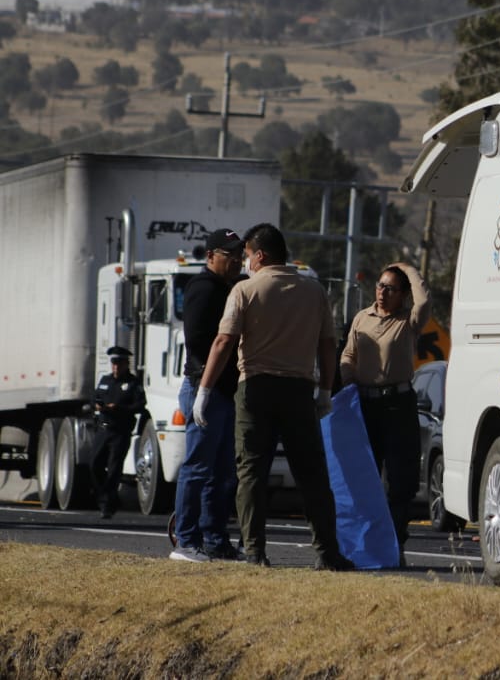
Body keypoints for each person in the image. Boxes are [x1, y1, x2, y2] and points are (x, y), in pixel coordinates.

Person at [198, 222, 353, 571]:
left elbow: (223, 341)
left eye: (249, 255)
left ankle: (255, 552)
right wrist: (325, 390)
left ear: (261, 255)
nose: (246, 262)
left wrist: (204, 390)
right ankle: (327, 552)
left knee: (251, 471)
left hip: (254, 388)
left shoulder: (245, 290)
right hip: (299, 389)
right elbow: (328, 345)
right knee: (312, 474)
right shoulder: (313, 291)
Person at [339, 262, 430, 566]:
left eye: (391, 288)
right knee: (363, 478)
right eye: (380, 286)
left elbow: (425, 301)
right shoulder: (362, 318)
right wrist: (347, 377)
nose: (382, 292)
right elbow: (348, 355)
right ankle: (361, 545)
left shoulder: (408, 321)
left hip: (398, 404)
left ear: (403, 294)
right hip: (364, 405)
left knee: (399, 481)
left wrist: (407, 268)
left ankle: (395, 544)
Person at [169, 229, 246, 563]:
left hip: (224, 391)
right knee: (198, 468)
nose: (236, 261)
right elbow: (200, 342)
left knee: (223, 472)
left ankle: (215, 539)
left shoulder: (230, 287)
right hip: (206, 387)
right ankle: (186, 541)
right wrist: (205, 388)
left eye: (239, 254)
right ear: (212, 255)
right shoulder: (203, 289)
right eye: (230, 255)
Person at [90, 346, 146, 519]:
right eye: (114, 363)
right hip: (103, 428)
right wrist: (98, 405)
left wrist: (119, 408)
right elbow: (95, 397)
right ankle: (105, 496)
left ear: (126, 364)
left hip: (120, 431)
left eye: (120, 363)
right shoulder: (105, 380)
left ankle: (107, 505)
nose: (116, 367)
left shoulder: (133, 383)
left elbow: (140, 405)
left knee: (114, 469)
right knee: (94, 464)